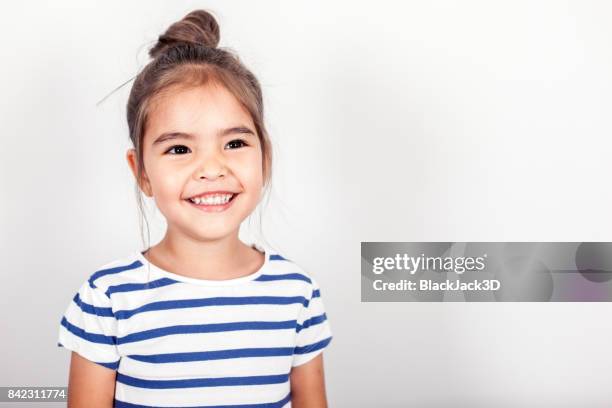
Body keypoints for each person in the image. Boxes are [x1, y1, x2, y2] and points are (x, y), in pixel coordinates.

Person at [57, 9, 333, 407]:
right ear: (143, 173)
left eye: (235, 143)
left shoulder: (297, 294)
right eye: (179, 148)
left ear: (265, 158)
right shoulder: (108, 300)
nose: (211, 169)